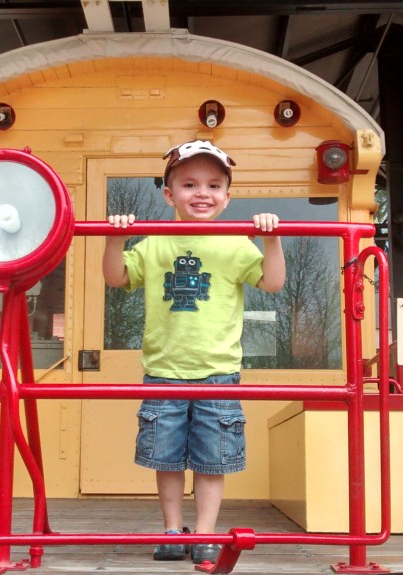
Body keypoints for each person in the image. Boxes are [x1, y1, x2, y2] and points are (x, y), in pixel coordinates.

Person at [103, 140, 285, 564]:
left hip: (217, 372)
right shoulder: (154, 243)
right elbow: (116, 277)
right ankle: (171, 528)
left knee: (211, 460)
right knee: (166, 458)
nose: (202, 193)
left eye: (214, 185)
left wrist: (272, 239)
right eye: (189, 184)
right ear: (170, 195)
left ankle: (205, 533)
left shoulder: (235, 242)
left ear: (227, 197)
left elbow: (273, 282)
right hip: (164, 370)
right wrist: (115, 239)